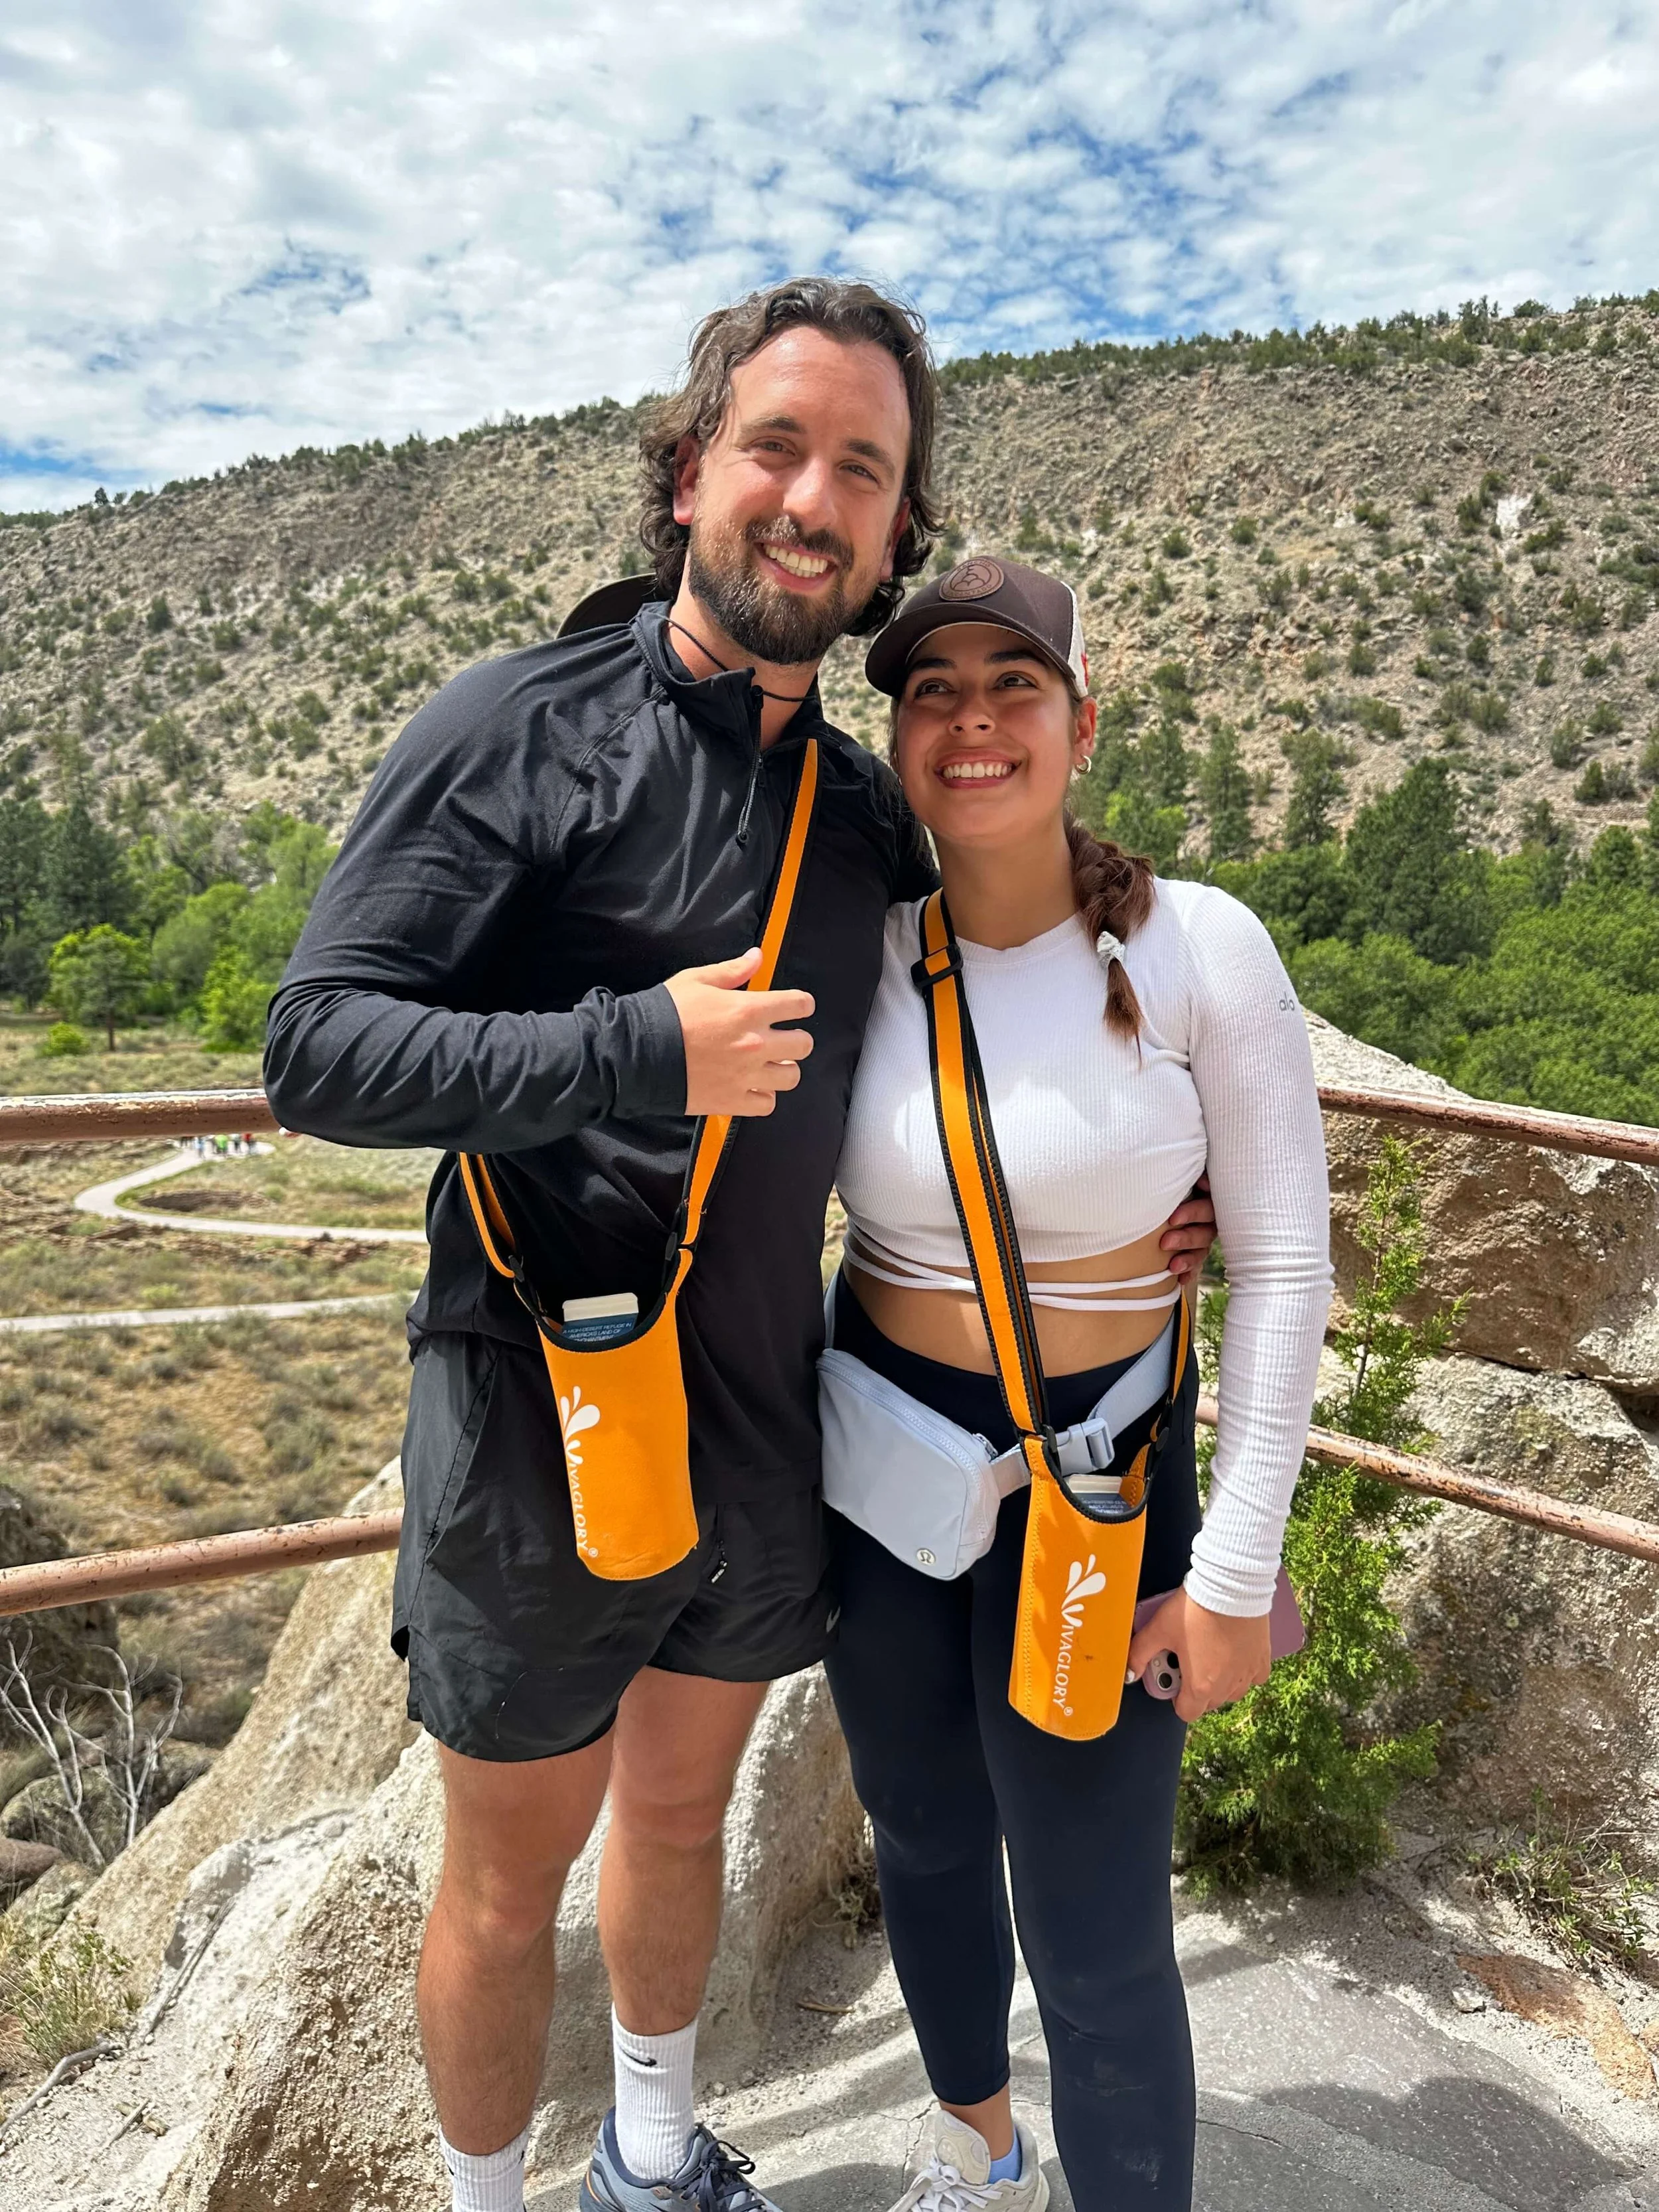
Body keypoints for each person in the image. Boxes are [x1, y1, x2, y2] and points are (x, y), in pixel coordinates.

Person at [263, 281, 1218, 2212]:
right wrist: (636, 1045)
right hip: (536, 1409)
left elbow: (1018, 916)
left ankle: (644, 2155)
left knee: (682, 1811)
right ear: (691, 464)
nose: (810, 495)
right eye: (776, 446)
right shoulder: (516, 726)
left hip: (757, 1414)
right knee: (507, 1868)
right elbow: (320, 1045)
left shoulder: (861, 813)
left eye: (860, 469)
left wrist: (1133, 1183)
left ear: (889, 532)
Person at [824, 559, 1333, 2211]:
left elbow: (1279, 1272)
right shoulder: (856, 958)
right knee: (920, 1838)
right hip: (889, 1481)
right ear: (897, 735)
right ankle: (978, 2152)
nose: (971, 720)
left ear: (1079, 721)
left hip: (1100, 1487)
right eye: (930, 690)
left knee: (1097, 1919)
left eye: (1012, 685)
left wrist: (1235, 1577)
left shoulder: (1202, 950)